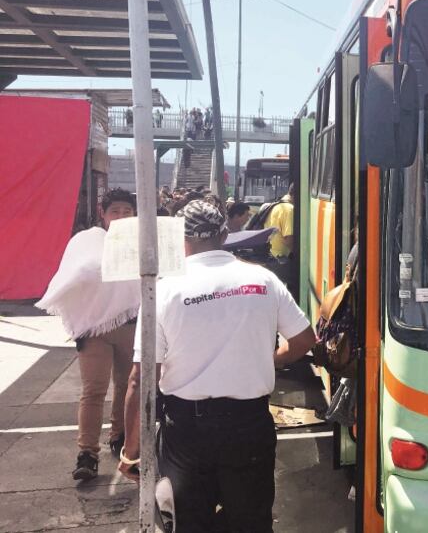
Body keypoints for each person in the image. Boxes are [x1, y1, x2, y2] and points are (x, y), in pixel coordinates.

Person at [119, 201, 315, 532]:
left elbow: (141, 379)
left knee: (191, 521)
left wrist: (131, 450)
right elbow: (305, 340)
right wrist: (269, 360)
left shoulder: (163, 290)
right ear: (225, 234)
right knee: (251, 519)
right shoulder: (263, 279)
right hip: (249, 422)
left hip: (186, 429)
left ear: (181, 239)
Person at [36, 188, 140, 481]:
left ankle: (119, 436)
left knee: (126, 385)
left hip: (131, 325)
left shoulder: (143, 240)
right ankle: (87, 454)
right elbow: (72, 275)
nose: (121, 216)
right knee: (93, 390)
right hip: (94, 329)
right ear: (103, 214)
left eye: (127, 211)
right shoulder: (86, 241)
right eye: (115, 211)